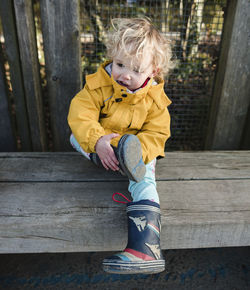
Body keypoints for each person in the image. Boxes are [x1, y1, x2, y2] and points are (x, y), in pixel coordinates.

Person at [67, 17, 174, 274]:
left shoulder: (156, 102)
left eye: (136, 70)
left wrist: (137, 155)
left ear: (153, 72)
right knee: (74, 137)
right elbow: (81, 114)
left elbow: (157, 134)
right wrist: (98, 140)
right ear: (112, 58)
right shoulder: (98, 85)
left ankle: (145, 248)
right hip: (103, 139)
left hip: (135, 150)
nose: (124, 74)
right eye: (119, 64)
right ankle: (104, 155)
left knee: (145, 179)